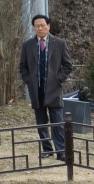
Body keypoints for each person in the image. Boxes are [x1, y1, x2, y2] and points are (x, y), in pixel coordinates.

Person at [19, 13, 73, 161]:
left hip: (54, 89)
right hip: (36, 89)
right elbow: (23, 67)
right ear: (34, 28)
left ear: (48, 26)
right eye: (37, 26)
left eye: (42, 25)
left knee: (57, 122)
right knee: (41, 122)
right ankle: (47, 149)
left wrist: (59, 79)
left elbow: (68, 65)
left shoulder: (59, 43)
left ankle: (61, 151)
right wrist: (28, 81)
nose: (40, 28)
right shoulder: (27, 45)